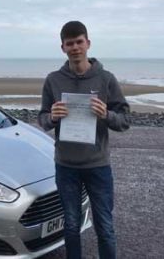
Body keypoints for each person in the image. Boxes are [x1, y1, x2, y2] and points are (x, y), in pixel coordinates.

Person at [38, 21, 130, 259]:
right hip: (66, 166)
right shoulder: (53, 80)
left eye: (79, 42)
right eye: (70, 43)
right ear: (63, 47)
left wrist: (106, 114)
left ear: (88, 43)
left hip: (97, 166)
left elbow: (125, 120)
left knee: (105, 227)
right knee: (70, 225)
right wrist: (53, 117)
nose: (75, 47)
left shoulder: (106, 79)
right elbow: (42, 119)